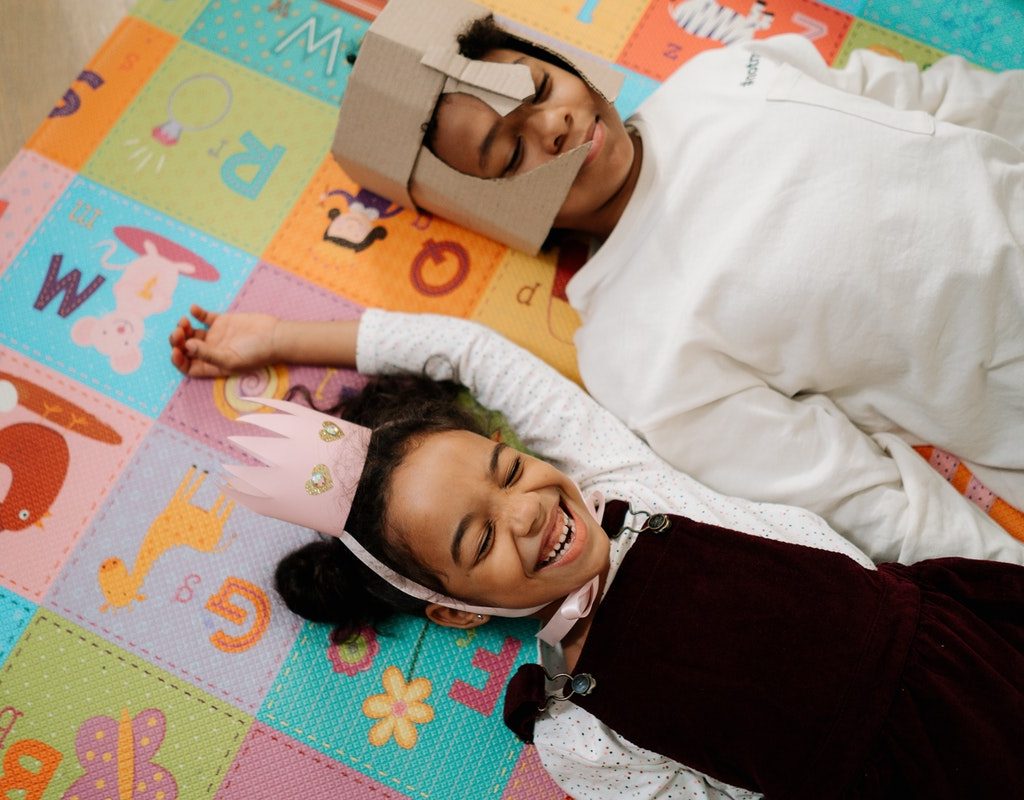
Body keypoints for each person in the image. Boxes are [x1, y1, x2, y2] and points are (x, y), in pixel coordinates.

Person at [170, 304, 1024, 798]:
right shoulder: (578, 732)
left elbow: (471, 351)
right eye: (480, 539)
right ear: (456, 608)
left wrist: (282, 338)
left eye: (508, 471)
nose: (529, 513)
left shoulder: (621, 484)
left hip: (965, 642)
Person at [333, 0, 1024, 566]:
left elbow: (938, 98)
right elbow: (857, 498)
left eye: (541, 87)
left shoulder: (718, 75)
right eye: (510, 150)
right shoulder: (633, 351)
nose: (554, 125)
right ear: (487, 203)